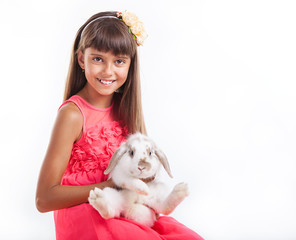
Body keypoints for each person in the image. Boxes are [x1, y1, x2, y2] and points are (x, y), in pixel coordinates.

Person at [36, 10, 204, 240]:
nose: (108, 71)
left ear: (129, 65)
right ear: (81, 59)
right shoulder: (73, 115)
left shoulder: (125, 109)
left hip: (123, 210)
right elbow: (44, 199)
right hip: (85, 215)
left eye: (119, 61)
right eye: (98, 59)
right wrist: (111, 185)